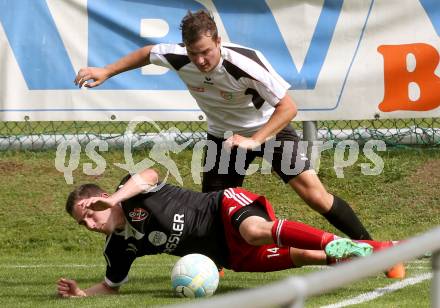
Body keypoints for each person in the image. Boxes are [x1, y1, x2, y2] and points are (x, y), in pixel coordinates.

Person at [74, 9, 370, 241]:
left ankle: (370, 246)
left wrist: (255, 140)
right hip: (223, 140)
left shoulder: (245, 63)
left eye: (206, 51)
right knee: (213, 211)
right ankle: (212, 268)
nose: (201, 60)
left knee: (315, 197)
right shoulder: (179, 57)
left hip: (269, 130)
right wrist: (107, 71)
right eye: (194, 53)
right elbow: (147, 52)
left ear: (217, 41)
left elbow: (288, 107)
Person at [57, 168, 404, 298]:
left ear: (101, 198)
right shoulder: (119, 247)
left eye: (89, 212)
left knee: (256, 231)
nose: (89, 223)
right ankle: (386, 251)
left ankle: (353, 242)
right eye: (81, 222)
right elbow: (111, 286)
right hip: (228, 255)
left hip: (222, 208)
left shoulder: (131, 191)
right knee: (310, 257)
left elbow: (149, 173)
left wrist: (115, 198)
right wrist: (82, 294)